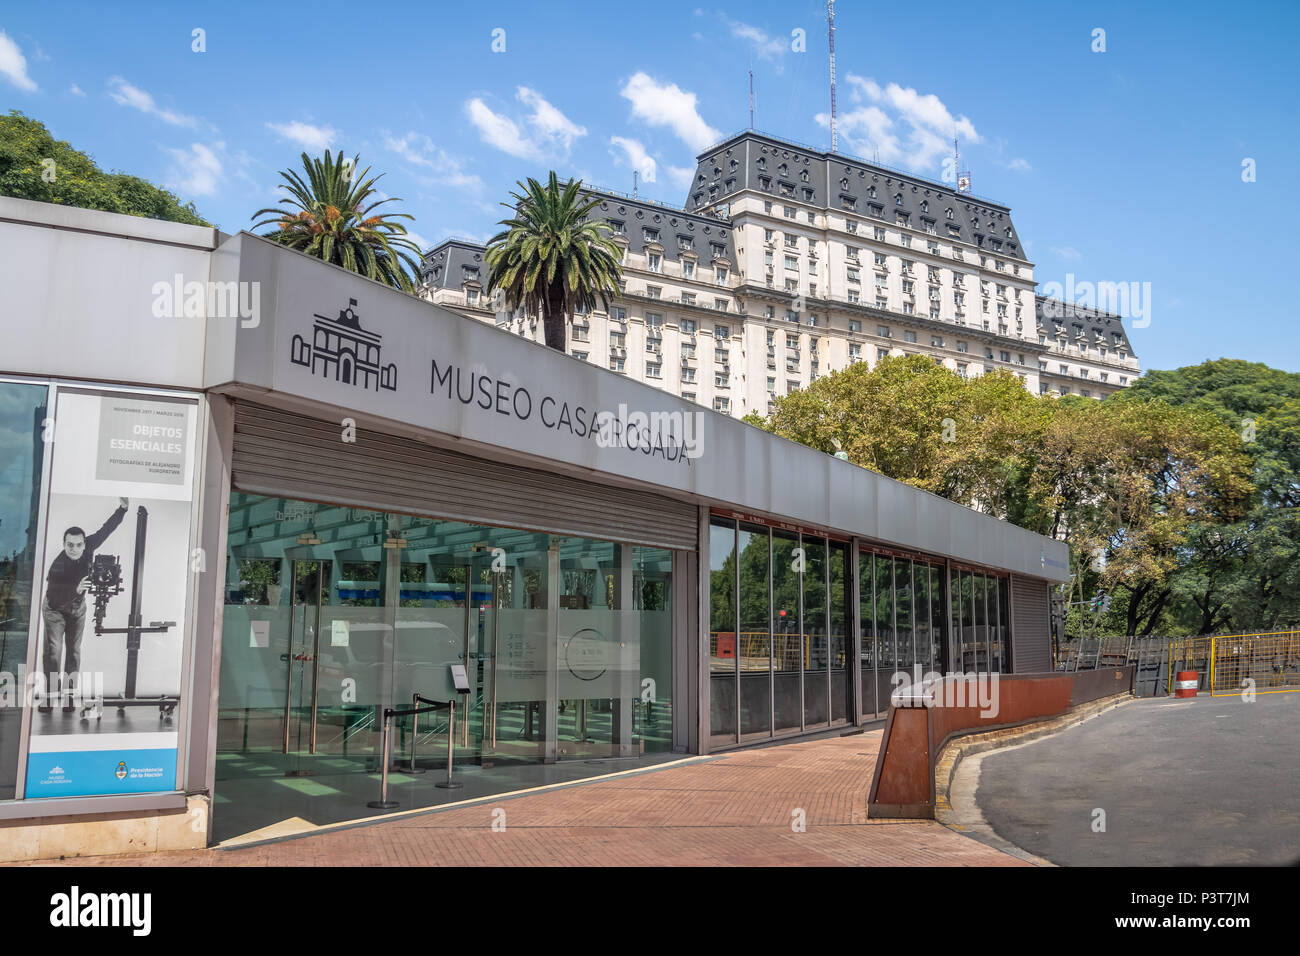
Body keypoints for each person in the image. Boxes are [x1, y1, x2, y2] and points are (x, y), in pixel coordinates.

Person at [40, 498, 128, 713]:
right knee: (54, 652)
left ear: (84, 543)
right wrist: (76, 589)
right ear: (64, 544)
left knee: (74, 653)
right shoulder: (57, 566)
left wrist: (122, 509)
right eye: (70, 545)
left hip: (77, 609)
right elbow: (54, 595)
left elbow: (106, 530)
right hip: (54, 609)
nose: (75, 549)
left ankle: (69, 697)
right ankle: (50, 697)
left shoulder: (88, 546)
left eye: (79, 544)